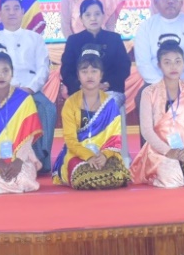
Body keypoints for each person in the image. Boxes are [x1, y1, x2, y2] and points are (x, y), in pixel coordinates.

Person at [131, 34, 184, 188]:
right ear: (159, 65)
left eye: (178, 61)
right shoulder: (149, 93)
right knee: (171, 178)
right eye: (167, 62)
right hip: (159, 151)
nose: (173, 67)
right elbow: (146, 130)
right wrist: (167, 151)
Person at [0, 0, 56, 173]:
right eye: (6, 9)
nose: (12, 12)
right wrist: (0, 90)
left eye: (16, 8)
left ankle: (39, 159)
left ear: (23, 12)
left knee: (47, 108)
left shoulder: (35, 39)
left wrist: (30, 89)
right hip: (0, 91)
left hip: (29, 90)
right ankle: (2, 159)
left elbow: (43, 68)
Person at [55, 46, 131, 190]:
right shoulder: (70, 104)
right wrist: (89, 156)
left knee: (118, 175)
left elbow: (115, 140)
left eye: (94, 71)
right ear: (78, 75)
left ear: (101, 75)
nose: (89, 76)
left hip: (104, 154)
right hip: (78, 154)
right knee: (83, 178)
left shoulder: (110, 104)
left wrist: (104, 155)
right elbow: (70, 141)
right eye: (84, 72)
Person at [0, 47, 44, 195]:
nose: (1, 75)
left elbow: (28, 136)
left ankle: (8, 183)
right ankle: (7, 184)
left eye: (5, 70)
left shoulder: (24, 99)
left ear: (12, 73)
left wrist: (18, 161)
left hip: (20, 154)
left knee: (23, 180)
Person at [57, 0, 132, 115]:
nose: (93, 18)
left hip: (110, 90)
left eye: (97, 14)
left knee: (105, 105)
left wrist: (106, 84)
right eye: (87, 15)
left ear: (103, 16)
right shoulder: (73, 41)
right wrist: (82, 86)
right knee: (81, 106)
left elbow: (123, 68)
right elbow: (67, 70)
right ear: (81, 18)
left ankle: (100, 134)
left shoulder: (114, 39)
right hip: (81, 91)